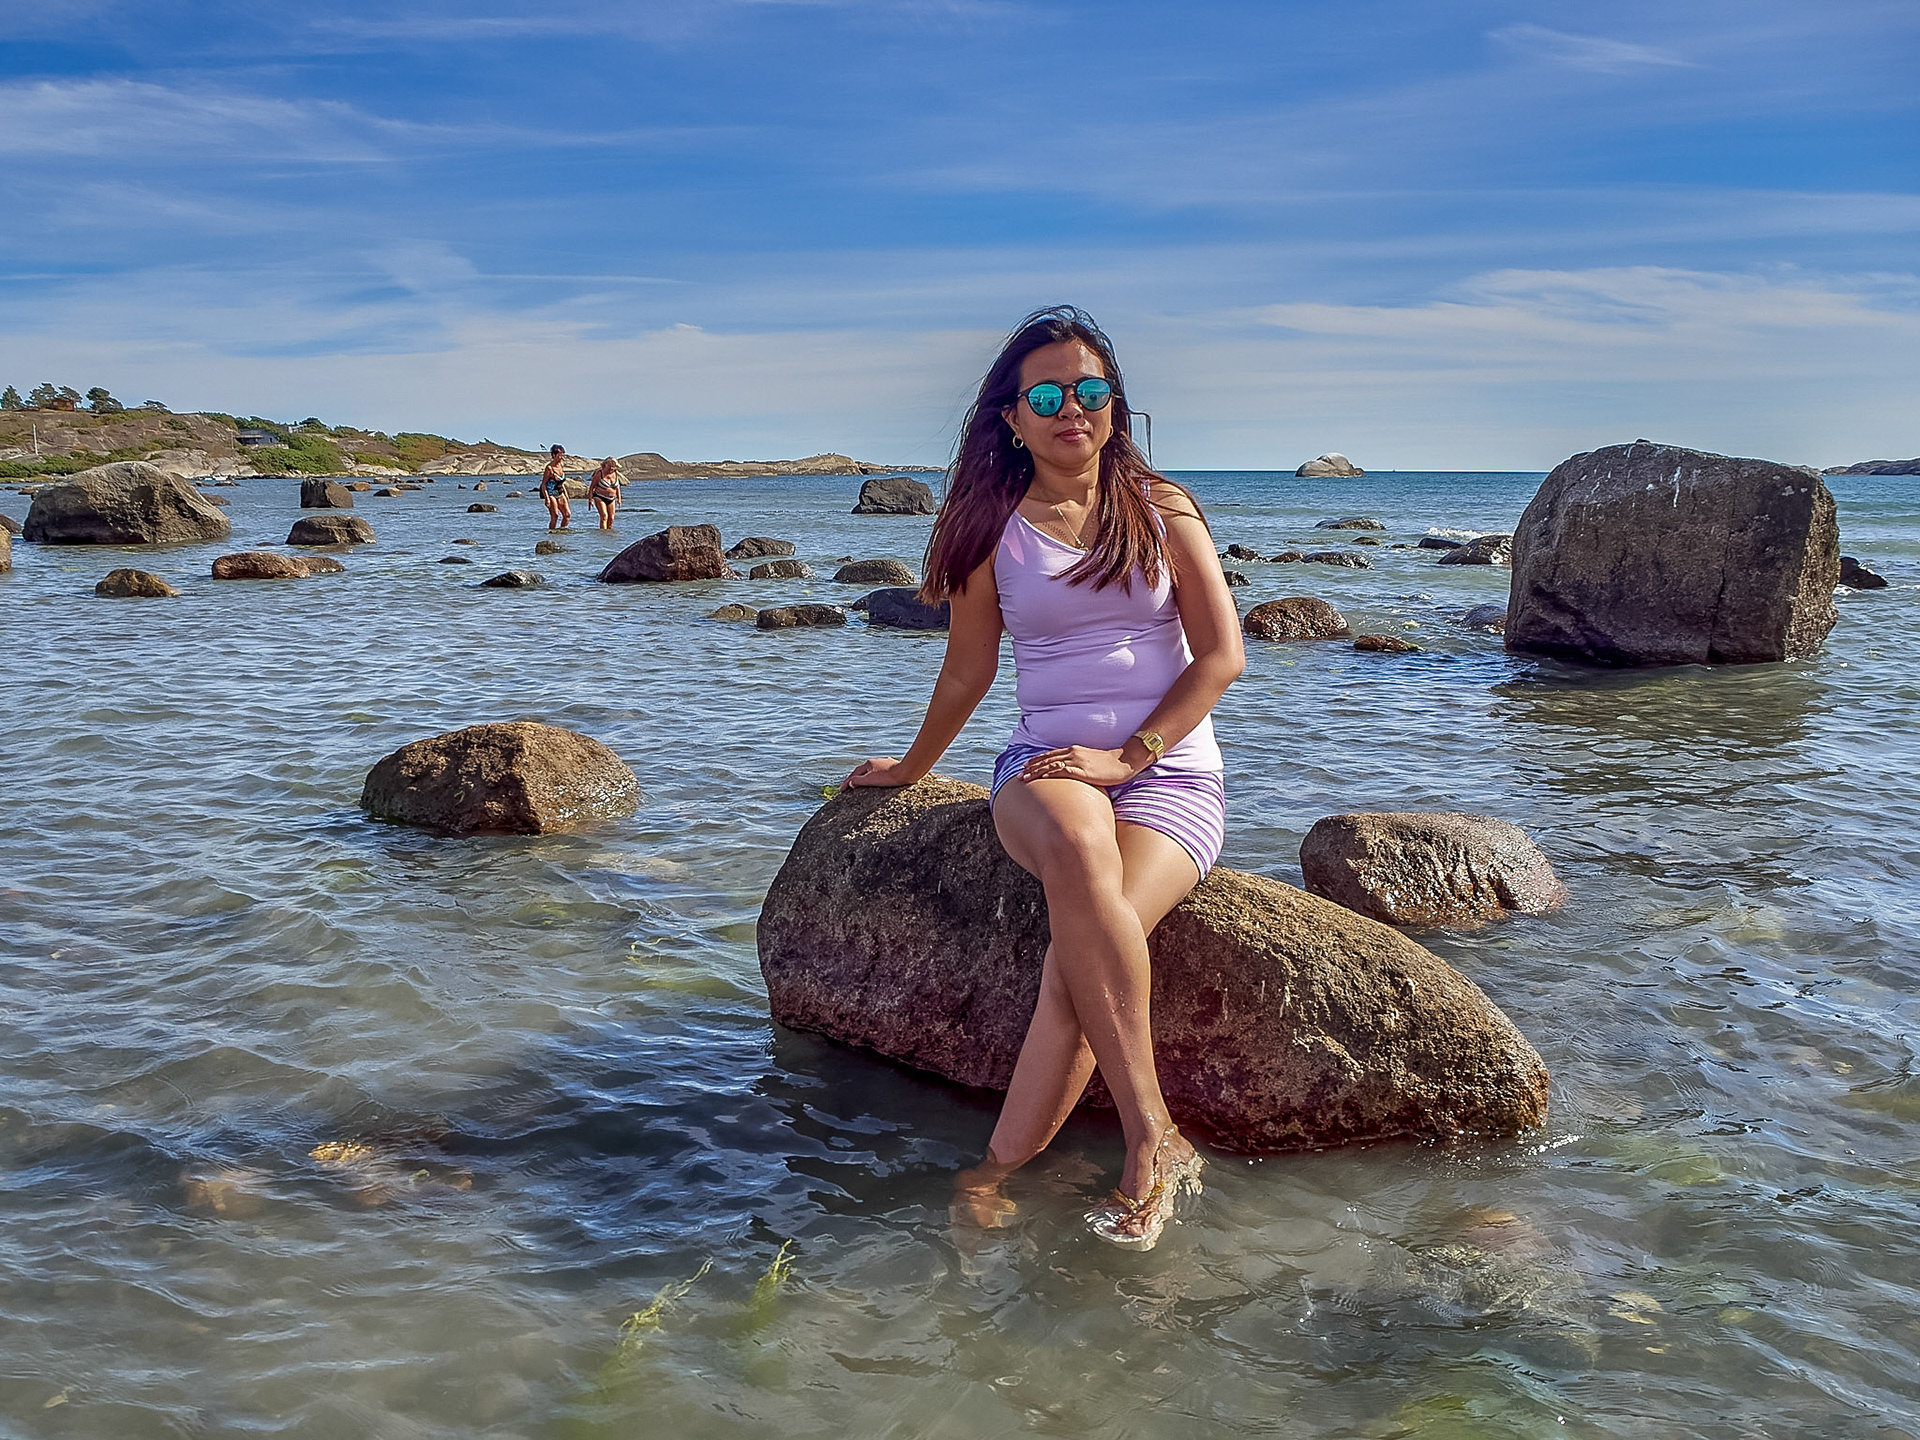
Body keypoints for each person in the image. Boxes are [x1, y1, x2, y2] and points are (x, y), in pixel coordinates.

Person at [844, 306, 1245, 1250]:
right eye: (1050, 394)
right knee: (1075, 846)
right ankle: (1154, 1133)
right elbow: (967, 672)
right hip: (1049, 766)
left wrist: (1132, 755)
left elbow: (1221, 655)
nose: (1074, 408)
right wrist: (911, 768)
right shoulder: (989, 527)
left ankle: (996, 1168)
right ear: (1012, 418)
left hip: (1172, 773)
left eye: (1092, 389)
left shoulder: (1164, 507)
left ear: (1116, 407)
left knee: (1081, 961)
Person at [540, 445, 572, 530]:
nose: (562, 457)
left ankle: (562, 531)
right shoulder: (549, 468)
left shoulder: (561, 464)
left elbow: (561, 482)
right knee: (555, 515)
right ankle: (551, 532)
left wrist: (566, 493)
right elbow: (544, 484)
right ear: (554, 455)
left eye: (562, 454)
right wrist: (547, 498)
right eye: (559, 454)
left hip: (560, 491)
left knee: (567, 515)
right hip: (551, 492)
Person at [586, 457, 622, 529]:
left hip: (611, 498)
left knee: (611, 518)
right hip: (599, 497)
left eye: (613, 467)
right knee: (604, 516)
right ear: (605, 465)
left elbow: (617, 487)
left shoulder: (615, 474)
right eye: (609, 466)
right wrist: (590, 500)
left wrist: (619, 498)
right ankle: (602, 533)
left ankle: (608, 534)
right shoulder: (599, 474)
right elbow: (592, 487)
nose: (611, 468)